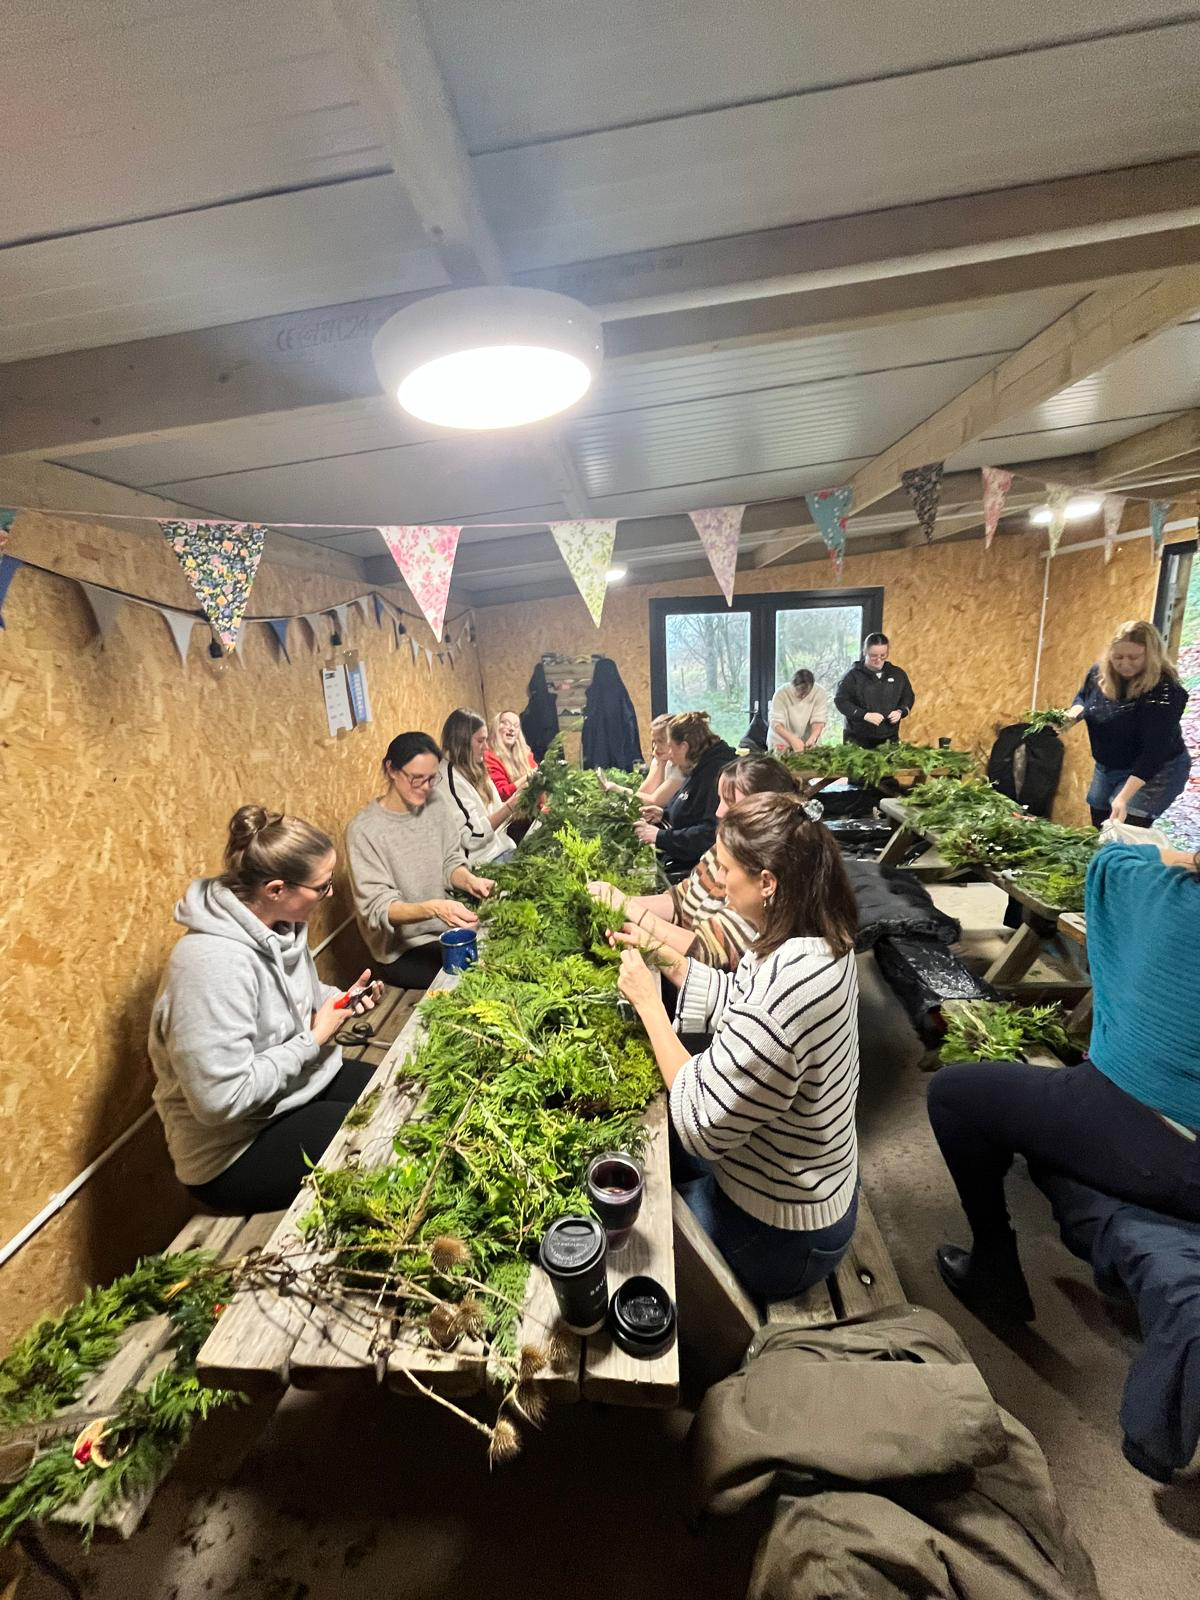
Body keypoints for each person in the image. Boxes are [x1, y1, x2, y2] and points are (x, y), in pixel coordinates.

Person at [927, 837, 1200, 1324]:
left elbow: (1112, 859)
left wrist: (1179, 858)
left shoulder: (1165, 894)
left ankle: (994, 1271)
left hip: (1165, 1148)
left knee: (955, 1095)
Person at [615, 792, 860, 1303]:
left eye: (726, 870)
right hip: (808, 1185)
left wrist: (648, 1005)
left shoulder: (790, 989)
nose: (719, 883)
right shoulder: (812, 932)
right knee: (652, 1161)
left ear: (767, 882)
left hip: (785, 1232)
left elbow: (699, 1122)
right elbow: (742, 1005)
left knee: (637, 1237)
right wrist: (665, 958)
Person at [149, 806, 383, 1215]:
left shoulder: (281, 925)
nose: (330, 895)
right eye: (322, 887)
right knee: (377, 1138)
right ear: (276, 889)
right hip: (236, 1149)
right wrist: (313, 1039)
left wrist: (341, 1000)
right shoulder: (210, 966)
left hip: (294, 1088)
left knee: (398, 1090)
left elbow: (297, 1000)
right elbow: (221, 1100)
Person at [590, 754, 799, 969]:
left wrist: (631, 911)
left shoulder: (763, 880)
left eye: (730, 802)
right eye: (719, 800)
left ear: (765, 810)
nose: (718, 812)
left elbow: (711, 951)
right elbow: (681, 900)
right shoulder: (723, 849)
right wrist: (615, 901)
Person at [346, 731, 496, 989]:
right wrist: (435, 908)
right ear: (391, 770)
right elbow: (379, 909)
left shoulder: (435, 803)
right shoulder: (363, 831)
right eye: (417, 779)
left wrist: (469, 880)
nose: (426, 787)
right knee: (478, 982)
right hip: (404, 951)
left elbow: (450, 860)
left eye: (431, 778)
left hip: (445, 931)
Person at [1066, 619, 1189, 827]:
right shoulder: (1100, 673)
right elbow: (1083, 697)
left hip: (1156, 771)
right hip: (1108, 765)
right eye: (1118, 657)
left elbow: (1154, 753)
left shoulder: (1165, 692)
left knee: (1122, 830)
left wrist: (1123, 798)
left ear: (1151, 655)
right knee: (1100, 822)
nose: (1124, 664)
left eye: (1134, 657)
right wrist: (1072, 715)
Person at [635, 711, 736, 881]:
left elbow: (710, 834)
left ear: (684, 747)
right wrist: (664, 815)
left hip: (699, 871)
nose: (670, 754)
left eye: (671, 747)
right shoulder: (698, 766)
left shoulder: (717, 773)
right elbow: (691, 810)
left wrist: (660, 837)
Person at [440, 708, 523, 866]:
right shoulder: (449, 779)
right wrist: (511, 806)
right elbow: (473, 837)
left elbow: (498, 813)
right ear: (462, 742)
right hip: (484, 863)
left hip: (503, 849)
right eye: (480, 741)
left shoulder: (476, 767)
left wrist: (521, 800)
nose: (486, 747)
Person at [835, 633, 914, 748]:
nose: (878, 660)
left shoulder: (898, 674)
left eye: (883, 655)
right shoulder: (852, 676)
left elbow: (908, 696)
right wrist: (864, 715)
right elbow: (841, 701)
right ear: (865, 652)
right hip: (857, 739)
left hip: (889, 738)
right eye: (873, 656)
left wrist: (901, 711)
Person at [633, 713, 686, 810]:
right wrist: (660, 764)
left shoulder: (682, 768)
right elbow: (644, 793)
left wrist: (616, 789)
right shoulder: (660, 760)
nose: (656, 748)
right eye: (654, 742)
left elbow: (655, 802)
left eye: (661, 741)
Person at [769, 668, 828, 753]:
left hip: (806, 741)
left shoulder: (819, 692)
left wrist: (813, 737)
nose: (803, 696)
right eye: (799, 692)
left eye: (806, 693)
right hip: (781, 740)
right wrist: (793, 739)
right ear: (792, 684)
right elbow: (776, 723)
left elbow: (819, 719)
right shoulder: (781, 694)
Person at [485, 709, 537, 802]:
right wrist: (527, 777)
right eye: (506, 723)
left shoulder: (526, 754)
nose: (512, 729)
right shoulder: (489, 756)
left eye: (516, 726)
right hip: (507, 815)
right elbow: (501, 795)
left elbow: (539, 787)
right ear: (496, 728)